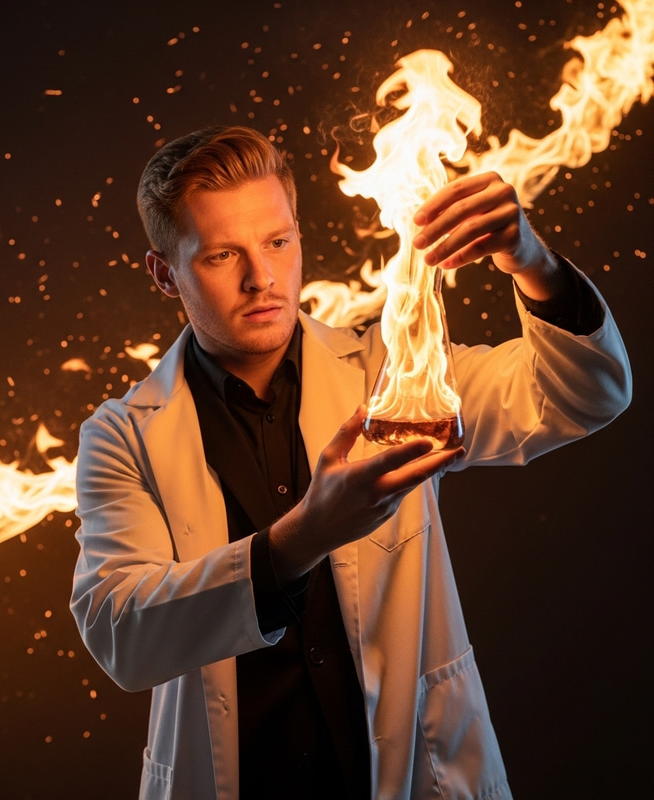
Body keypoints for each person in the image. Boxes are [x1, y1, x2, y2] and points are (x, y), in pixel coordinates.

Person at [70, 126, 631, 800]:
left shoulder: (396, 376)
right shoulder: (122, 437)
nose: (262, 277)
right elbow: (122, 634)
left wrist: (529, 257)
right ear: (164, 272)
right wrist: (303, 536)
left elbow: (589, 391)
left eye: (278, 242)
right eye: (222, 255)